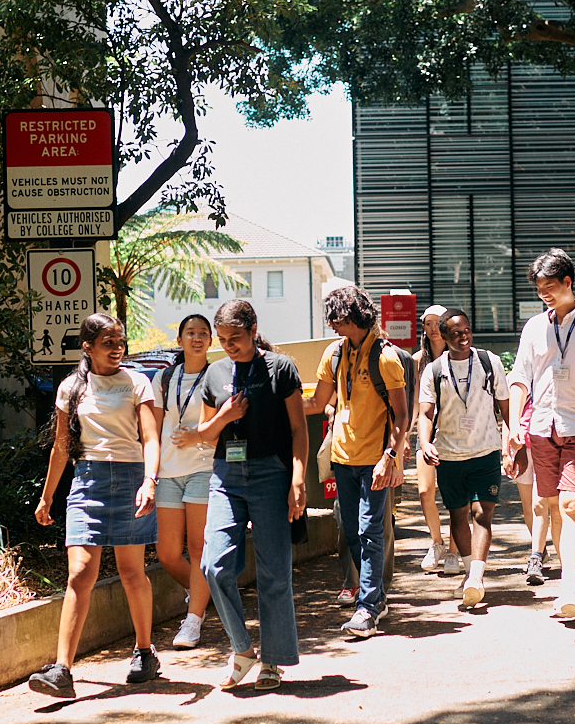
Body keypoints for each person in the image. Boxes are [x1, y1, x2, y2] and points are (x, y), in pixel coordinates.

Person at [29, 313, 162, 698]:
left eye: (120, 341)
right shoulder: (72, 386)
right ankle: (62, 670)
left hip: (131, 478)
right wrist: (47, 495)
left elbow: (150, 438)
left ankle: (143, 652)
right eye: (108, 342)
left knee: (131, 571)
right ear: (87, 346)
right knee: (80, 574)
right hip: (87, 482)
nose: (117, 348)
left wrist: (149, 481)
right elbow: (61, 445)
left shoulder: (137, 382)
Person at [194, 300, 309, 691]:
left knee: (274, 573)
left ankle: (273, 662)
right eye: (223, 340)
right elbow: (204, 434)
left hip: (270, 474)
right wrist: (225, 416)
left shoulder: (280, 368)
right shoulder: (215, 372)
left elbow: (299, 430)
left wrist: (297, 479)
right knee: (213, 565)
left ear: (253, 329)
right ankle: (242, 649)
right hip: (226, 475)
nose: (229, 347)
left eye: (236, 339)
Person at [505, 248, 575, 618]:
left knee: (572, 505)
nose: (545, 295)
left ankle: (569, 580)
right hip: (540, 428)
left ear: (568, 282)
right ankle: (571, 574)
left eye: (550, 287)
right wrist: (512, 427)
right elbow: (520, 378)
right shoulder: (534, 327)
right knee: (552, 507)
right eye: (539, 289)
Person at [302, 285, 409, 638]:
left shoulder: (386, 358)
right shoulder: (334, 354)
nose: (333, 325)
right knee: (352, 532)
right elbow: (317, 403)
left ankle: (367, 607)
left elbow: (401, 416)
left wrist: (389, 458)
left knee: (370, 531)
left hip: (374, 459)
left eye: (339, 319)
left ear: (355, 318)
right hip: (342, 458)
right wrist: (275, 402)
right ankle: (374, 598)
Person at [417, 308, 511, 607]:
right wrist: (424, 442)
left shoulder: (488, 362)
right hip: (449, 454)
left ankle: (476, 577)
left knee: (482, 514)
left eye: (466, 329)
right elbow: (425, 413)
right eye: (455, 332)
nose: (463, 336)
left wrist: (511, 440)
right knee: (458, 514)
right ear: (443, 336)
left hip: (485, 451)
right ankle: (471, 572)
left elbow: (506, 406)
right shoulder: (434, 370)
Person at [149, 314, 216, 649]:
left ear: (210, 340)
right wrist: (151, 472)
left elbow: (223, 423)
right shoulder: (163, 378)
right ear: (179, 339)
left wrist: (200, 436)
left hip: (204, 468)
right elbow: (153, 429)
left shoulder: (217, 375)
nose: (197, 338)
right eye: (190, 332)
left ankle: (193, 621)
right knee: (167, 553)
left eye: (203, 333)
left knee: (198, 547)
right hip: (169, 472)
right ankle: (199, 592)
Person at [504, 391, 559, 586]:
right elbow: (508, 418)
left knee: (540, 503)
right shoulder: (518, 380)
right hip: (520, 448)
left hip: (545, 444)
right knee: (528, 506)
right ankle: (541, 549)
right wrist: (505, 453)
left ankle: (535, 556)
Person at [413, 304, 452, 574]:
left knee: (454, 493)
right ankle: (436, 542)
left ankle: (456, 549)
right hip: (426, 430)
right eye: (429, 323)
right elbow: (415, 401)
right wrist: (406, 435)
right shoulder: (418, 361)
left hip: (455, 432)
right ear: (424, 328)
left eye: (439, 322)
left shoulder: (462, 356)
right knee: (425, 490)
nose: (434, 328)